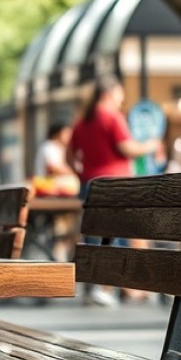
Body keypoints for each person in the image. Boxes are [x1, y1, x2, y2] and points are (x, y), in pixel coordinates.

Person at [69, 76, 160, 306]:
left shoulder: (82, 121)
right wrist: (149, 145)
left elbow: (69, 157)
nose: (122, 98)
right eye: (120, 93)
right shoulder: (111, 117)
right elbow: (126, 148)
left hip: (91, 185)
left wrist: (83, 175)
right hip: (117, 186)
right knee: (126, 234)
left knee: (95, 237)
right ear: (109, 93)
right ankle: (116, 288)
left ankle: (99, 286)